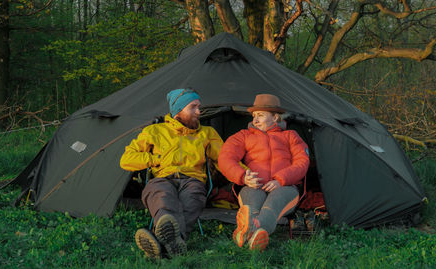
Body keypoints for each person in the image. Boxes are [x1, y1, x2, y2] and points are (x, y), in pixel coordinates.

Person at [120, 88, 223, 259]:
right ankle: (175, 243)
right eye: (193, 107)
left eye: (199, 106)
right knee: (162, 196)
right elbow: (126, 159)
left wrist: (245, 174)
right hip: (162, 178)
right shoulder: (154, 131)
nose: (199, 111)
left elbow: (224, 159)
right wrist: (154, 159)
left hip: (193, 179)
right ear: (178, 112)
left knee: (192, 199)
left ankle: (159, 244)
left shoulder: (207, 133)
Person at [218, 93, 310, 251]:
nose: (255, 120)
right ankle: (256, 233)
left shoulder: (291, 136)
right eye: (254, 115)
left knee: (272, 207)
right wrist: (243, 176)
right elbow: (225, 158)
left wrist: (281, 179)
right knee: (251, 207)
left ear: (275, 118)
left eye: (260, 115)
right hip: (253, 185)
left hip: (285, 187)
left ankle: (249, 231)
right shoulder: (243, 136)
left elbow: (302, 162)